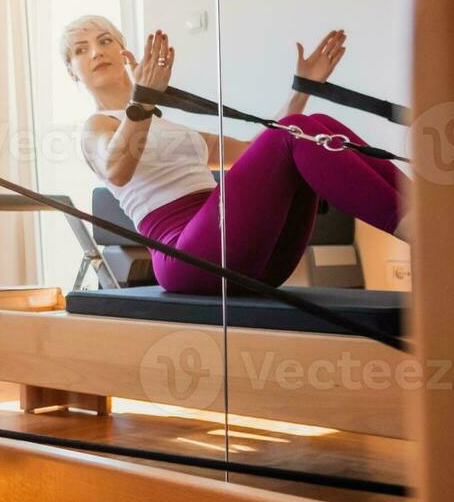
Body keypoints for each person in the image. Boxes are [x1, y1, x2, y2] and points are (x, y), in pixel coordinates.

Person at [63, 15, 409, 294]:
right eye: (80, 49)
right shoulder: (97, 126)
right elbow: (117, 170)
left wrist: (303, 89)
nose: (95, 51)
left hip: (245, 251)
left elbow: (255, 150)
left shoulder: (173, 129)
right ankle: (427, 236)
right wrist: (143, 99)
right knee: (298, 130)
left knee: (316, 124)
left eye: (105, 40)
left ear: (125, 52)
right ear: (72, 72)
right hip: (186, 256)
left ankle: (428, 214)